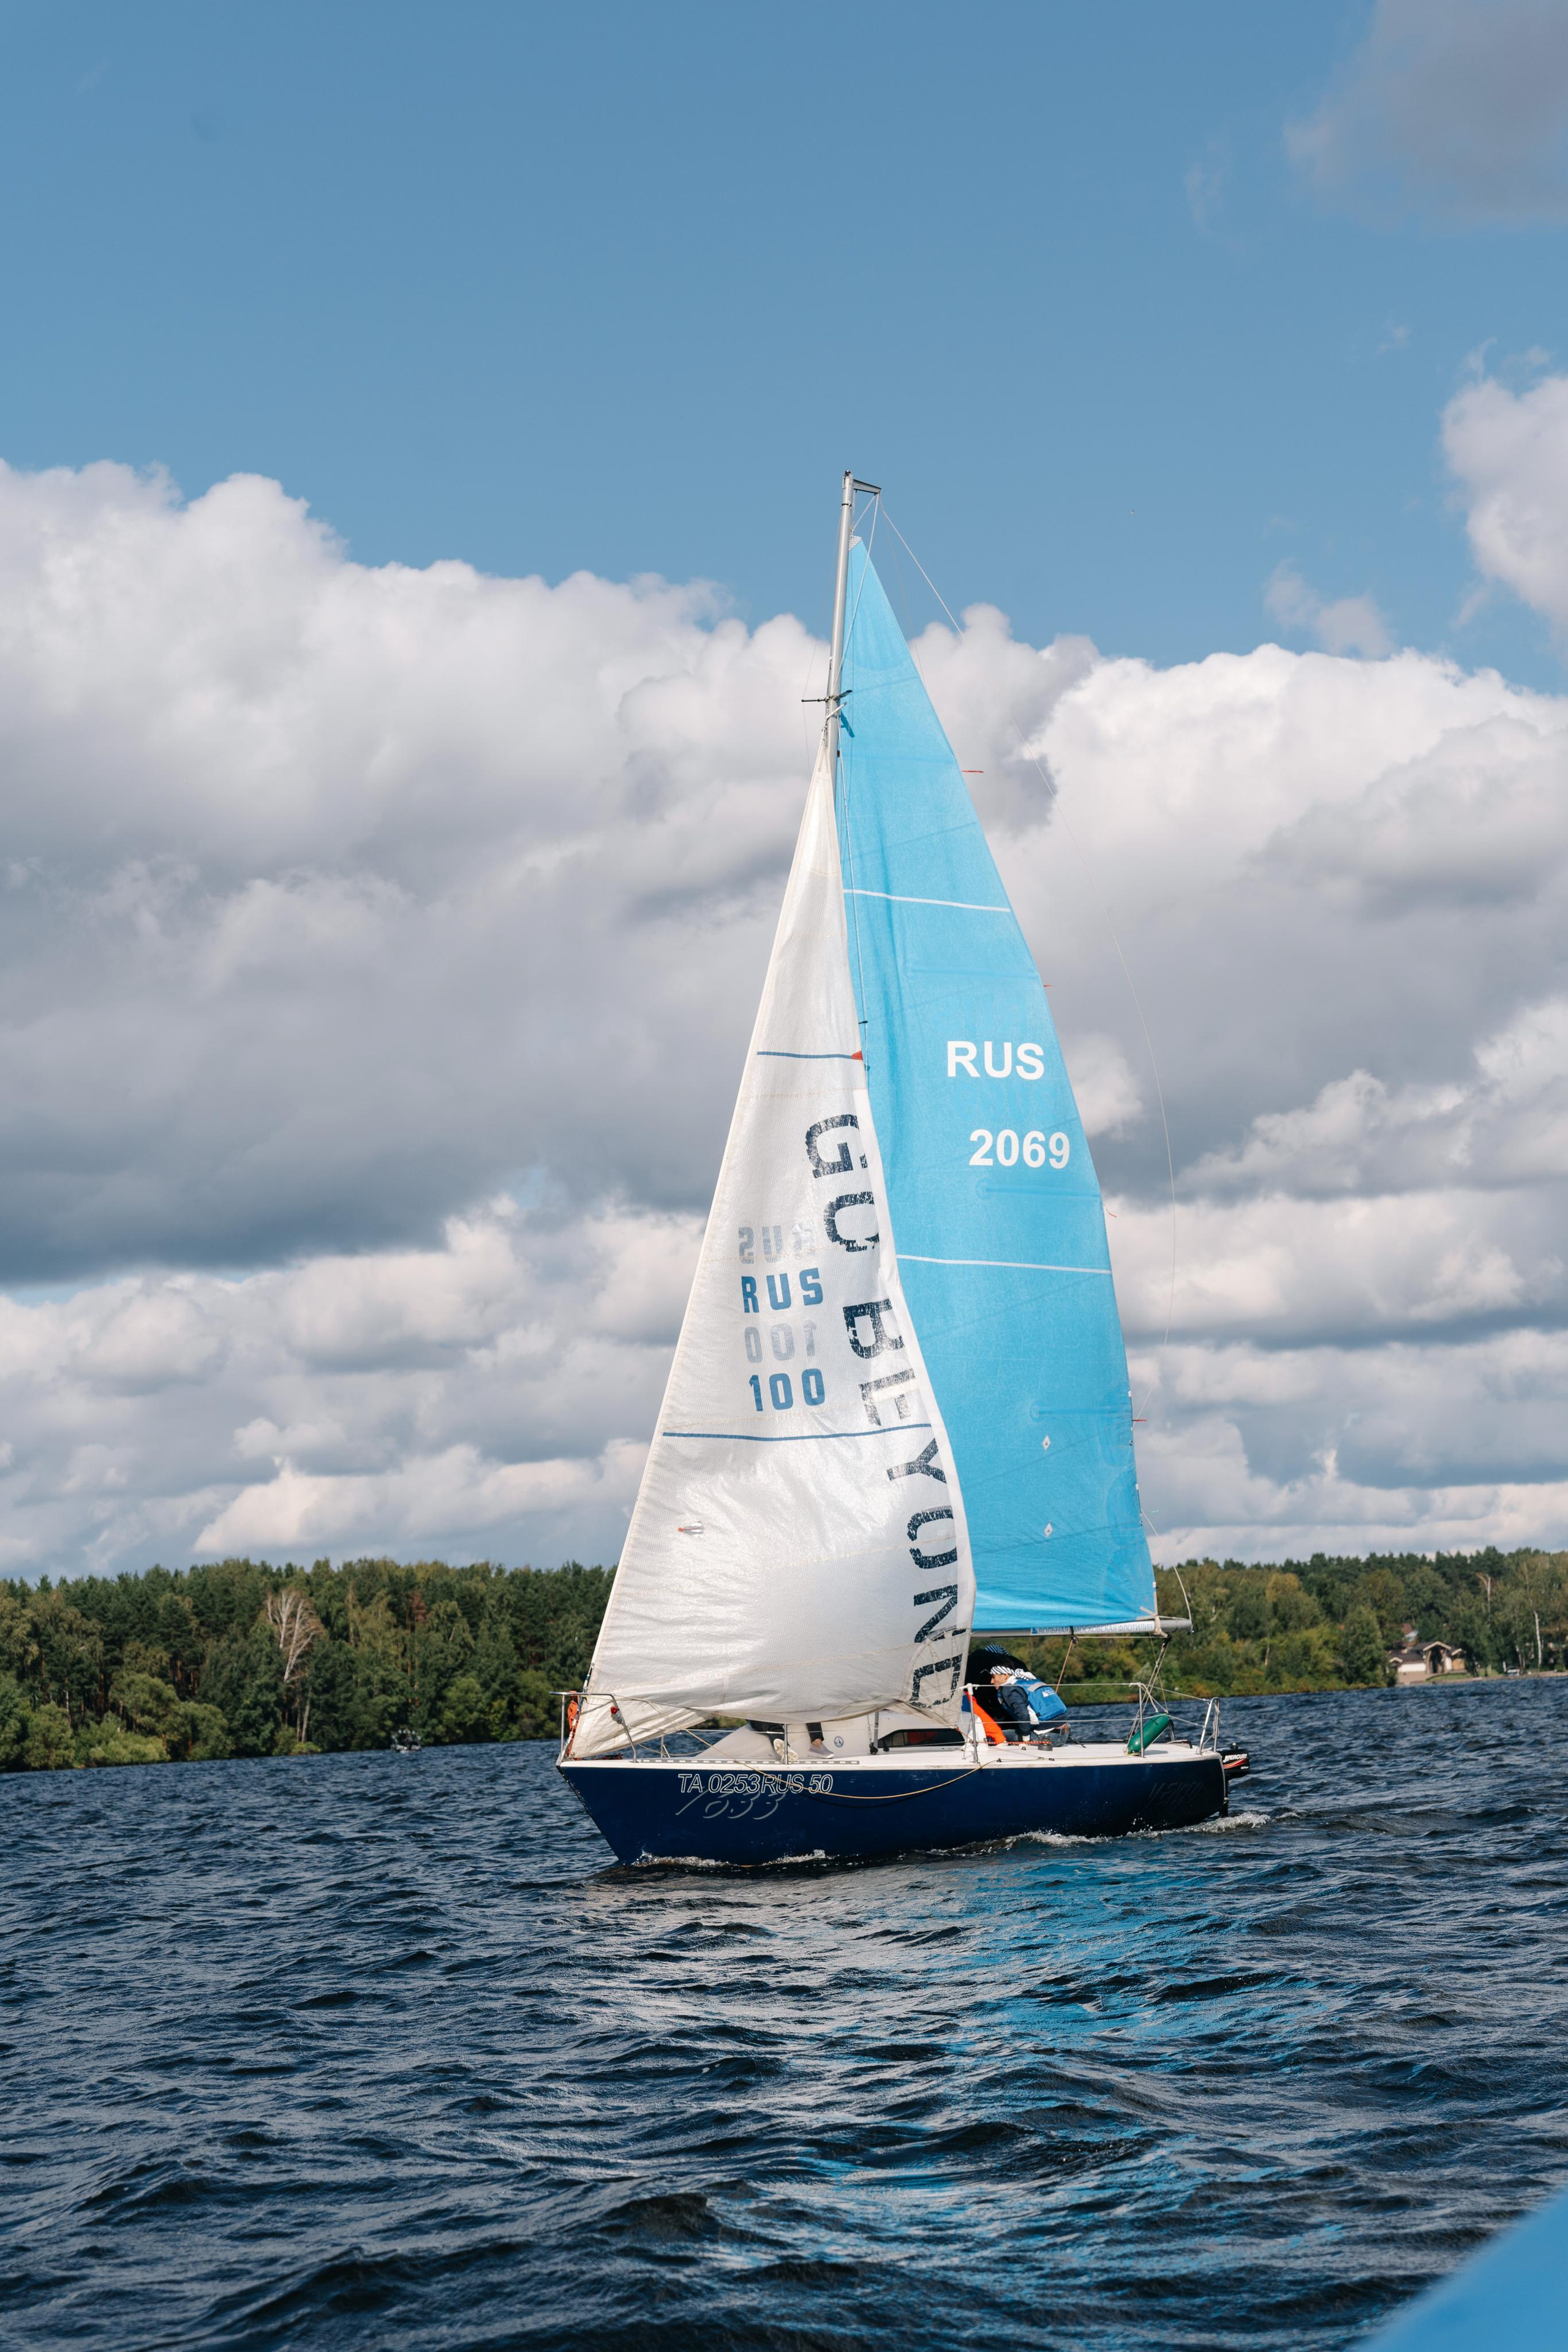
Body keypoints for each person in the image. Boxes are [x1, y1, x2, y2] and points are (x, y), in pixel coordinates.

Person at [990, 1664, 1068, 1735]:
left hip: (1043, 1730)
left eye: (994, 1677)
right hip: (1063, 1726)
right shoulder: (1029, 1681)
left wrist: (1026, 1737)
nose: (992, 1681)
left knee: (996, 1736)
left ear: (1005, 1676)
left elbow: (1024, 1714)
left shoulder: (1009, 1689)